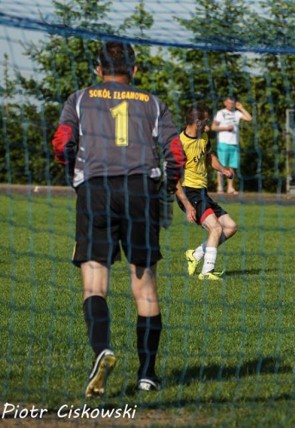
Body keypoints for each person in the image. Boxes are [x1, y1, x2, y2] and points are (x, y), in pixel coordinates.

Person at [51, 42, 186, 397]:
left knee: (94, 284)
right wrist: (167, 188)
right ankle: (147, 375)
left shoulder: (78, 99)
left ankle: (103, 351)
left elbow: (62, 143)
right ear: (135, 70)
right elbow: (176, 153)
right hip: (142, 191)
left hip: (96, 191)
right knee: (145, 287)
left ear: (98, 69)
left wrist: (75, 177)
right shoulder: (153, 103)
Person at [175, 104, 238, 281]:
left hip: (202, 192)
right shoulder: (179, 143)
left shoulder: (203, 137)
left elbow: (209, 157)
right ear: (196, 121)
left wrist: (223, 170)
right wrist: (187, 206)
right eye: (205, 121)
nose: (208, 124)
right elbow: (173, 180)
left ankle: (195, 255)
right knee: (216, 228)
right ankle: (206, 272)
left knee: (231, 227)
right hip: (189, 192)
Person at [210, 96, 252, 195]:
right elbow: (213, 127)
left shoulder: (237, 114)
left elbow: (249, 118)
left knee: (232, 167)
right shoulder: (221, 113)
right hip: (223, 143)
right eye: (229, 103)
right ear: (225, 103)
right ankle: (220, 187)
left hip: (234, 143)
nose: (231, 105)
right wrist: (226, 128)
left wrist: (241, 108)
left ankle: (230, 187)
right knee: (221, 166)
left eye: (232, 103)